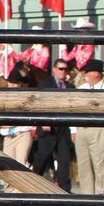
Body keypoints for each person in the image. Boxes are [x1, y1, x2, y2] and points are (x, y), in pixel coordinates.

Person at [32, 58, 73, 192]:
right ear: (55, 69)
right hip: (48, 127)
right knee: (42, 156)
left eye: (65, 69)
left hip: (63, 129)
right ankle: (33, 184)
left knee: (64, 161)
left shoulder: (70, 87)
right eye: (61, 69)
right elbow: (38, 103)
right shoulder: (45, 83)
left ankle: (64, 191)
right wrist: (43, 121)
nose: (63, 72)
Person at [75, 59, 104, 194]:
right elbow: (74, 110)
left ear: (96, 73)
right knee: (84, 165)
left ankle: (103, 195)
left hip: (101, 129)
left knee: (101, 164)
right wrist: (73, 129)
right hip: (82, 129)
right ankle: (87, 196)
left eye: (87, 72)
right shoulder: (81, 89)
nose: (85, 74)